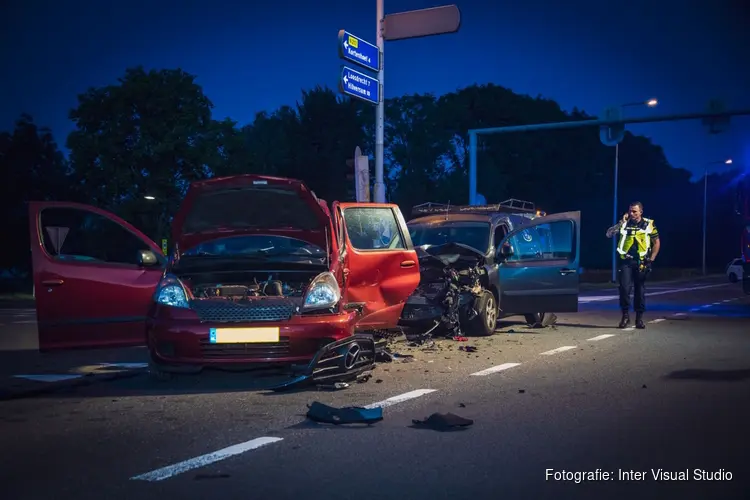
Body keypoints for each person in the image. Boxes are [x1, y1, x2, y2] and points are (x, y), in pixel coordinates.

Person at [605, 201, 660, 329]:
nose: (631, 213)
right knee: (624, 289)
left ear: (641, 211)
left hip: (641, 262)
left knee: (639, 290)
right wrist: (621, 223)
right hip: (626, 261)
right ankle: (625, 316)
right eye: (630, 211)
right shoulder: (624, 224)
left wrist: (651, 259)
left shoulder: (648, 224)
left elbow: (656, 242)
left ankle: (639, 319)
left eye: (634, 211)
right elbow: (608, 234)